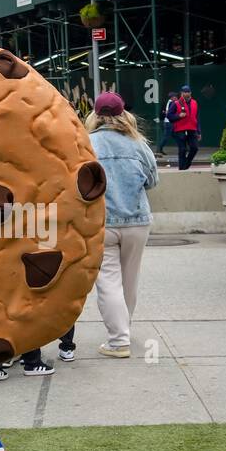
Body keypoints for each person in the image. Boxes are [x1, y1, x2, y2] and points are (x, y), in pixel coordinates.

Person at [85, 91, 157, 356]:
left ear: (96, 115)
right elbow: (152, 181)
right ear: (123, 114)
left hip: (102, 222)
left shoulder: (86, 143)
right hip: (138, 221)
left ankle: (118, 340)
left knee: (108, 281)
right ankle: (124, 330)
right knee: (130, 280)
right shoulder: (138, 144)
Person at [170, 85, 200, 170]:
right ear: (181, 93)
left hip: (192, 129)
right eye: (184, 92)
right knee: (182, 149)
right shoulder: (176, 103)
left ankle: (187, 163)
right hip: (179, 129)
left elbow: (197, 117)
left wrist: (199, 131)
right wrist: (178, 116)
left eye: (188, 92)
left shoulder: (194, 102)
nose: (186, 94)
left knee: (194, 148)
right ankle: (182, 168)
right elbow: (169, 116)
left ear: (190, 93)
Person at [159, 90, 179, 155]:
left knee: (176, 135)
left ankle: (182, 147)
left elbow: (166, 112)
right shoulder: (171, 103)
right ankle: (160, 149)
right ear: (172, 97)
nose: (176, 98)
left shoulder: (170, 102)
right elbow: (168, 112)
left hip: (169, 122)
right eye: (175, 96)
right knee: (166, 137)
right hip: (169, 123)